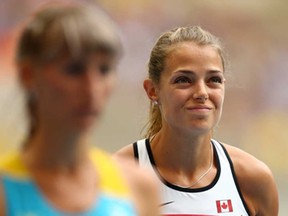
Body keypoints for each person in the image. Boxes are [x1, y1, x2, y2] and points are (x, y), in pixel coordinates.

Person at [0, 2, 159, 216]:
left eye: (104, 70)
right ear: (28, 75)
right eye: (73, 69)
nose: (91, 88)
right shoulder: (5, 190)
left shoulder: (138, 188)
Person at [115, 26, 279, 215]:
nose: (202, 92)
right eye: (184, 80)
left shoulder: (253, 179)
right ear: (152, 90)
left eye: (214, 80)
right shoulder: (118, 175)